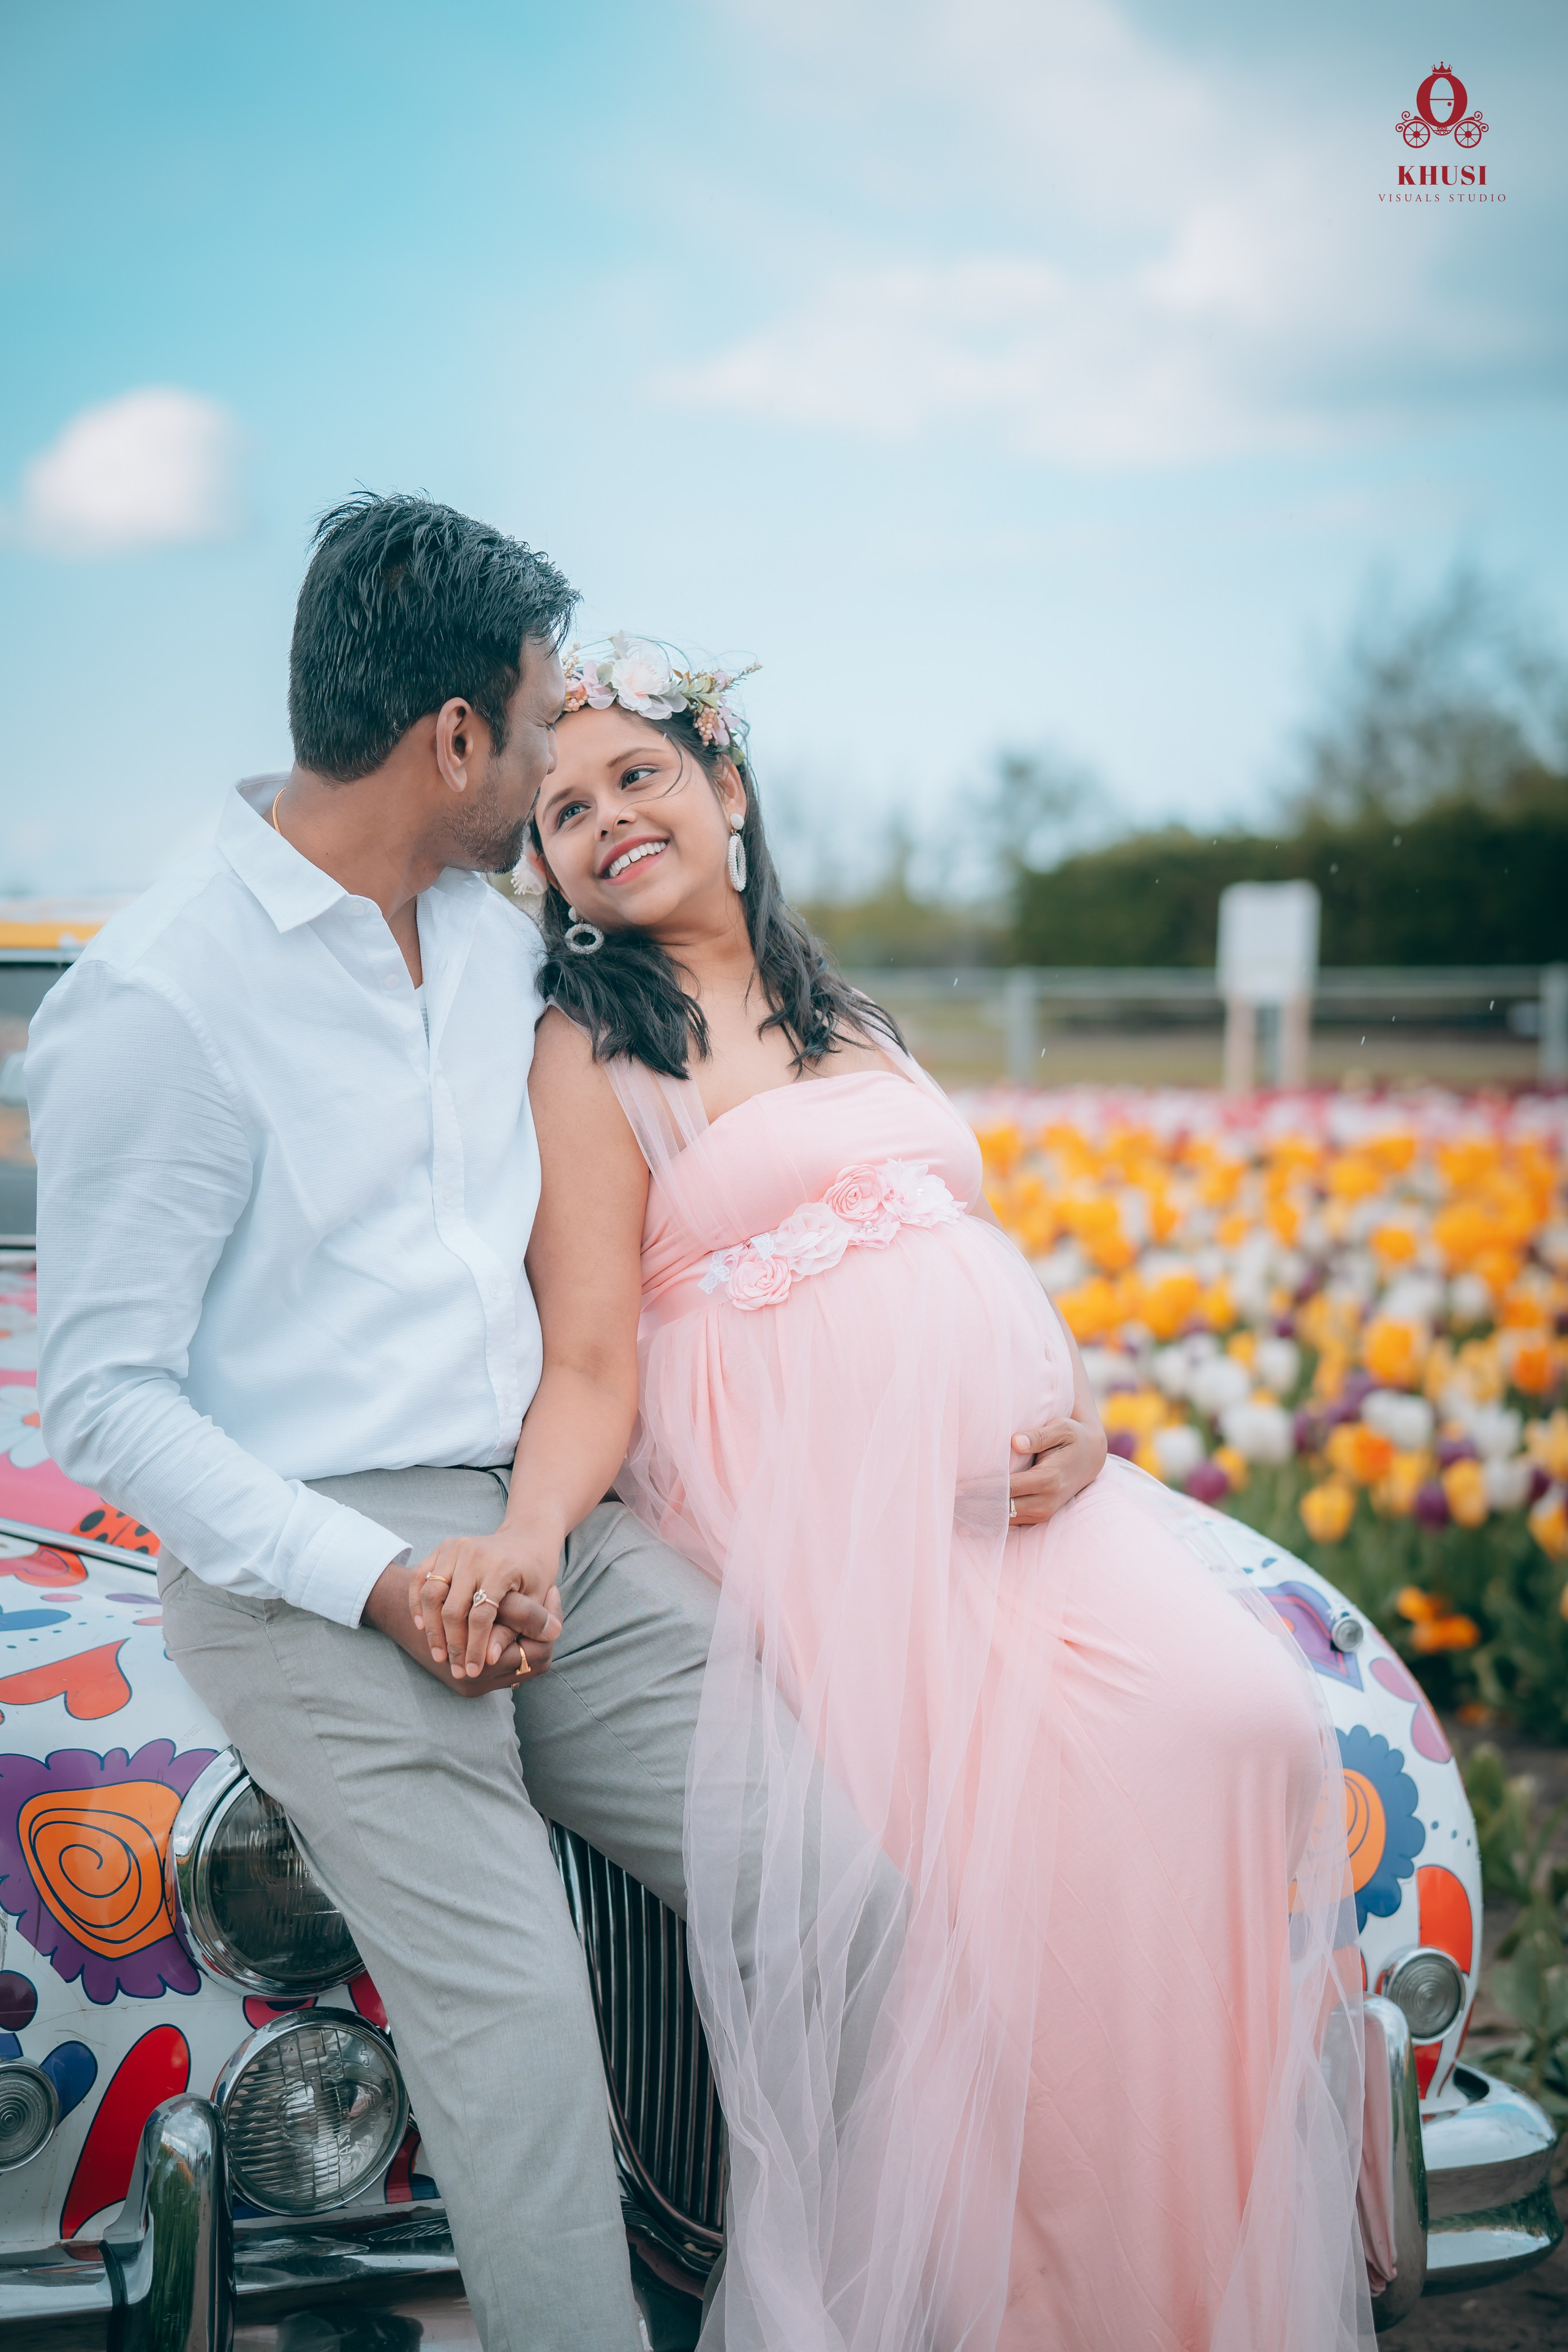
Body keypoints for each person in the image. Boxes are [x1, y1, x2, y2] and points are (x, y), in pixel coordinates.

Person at [28, 496, 1104, 2352]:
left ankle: (803, 2317)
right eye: (537, 732)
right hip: (304, 1556)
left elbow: (717, 1125)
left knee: (838, 1901)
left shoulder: (493, 938)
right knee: (516, 2009)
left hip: (549, 1524)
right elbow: (106, 1398)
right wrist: (380, 1579)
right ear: (457, 740)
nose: (553, 770)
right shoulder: (161, 994)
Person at [424, 639, 1374, 2352]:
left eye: (640, 774)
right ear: (549, 868)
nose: (603, 818)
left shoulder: (847, 1012)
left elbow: (961, 1249)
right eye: (562, 808)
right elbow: (588, 1356)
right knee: (983, 1900)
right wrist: (526, 1535)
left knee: (1245, 1726)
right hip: (817, 1531)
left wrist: (1074, 1415)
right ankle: (999, 2297)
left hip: (1027, 1511)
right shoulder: (591, 1048)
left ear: (730, 790)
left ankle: (1160, 2281)